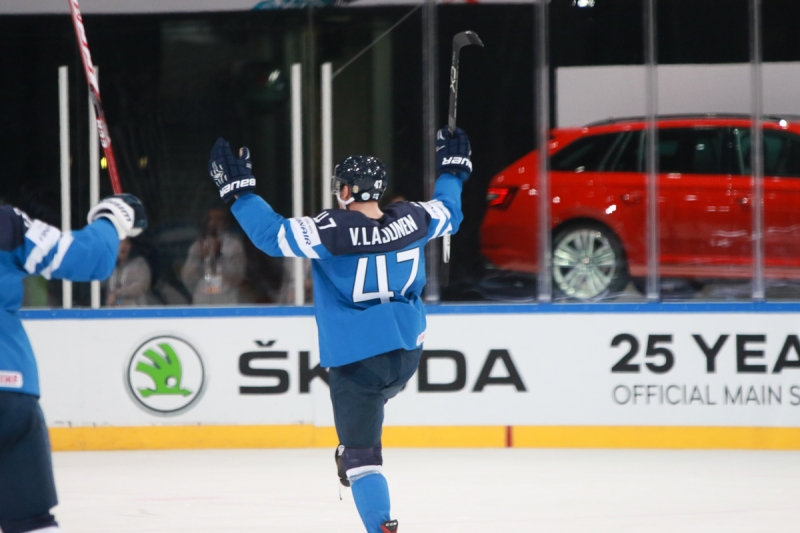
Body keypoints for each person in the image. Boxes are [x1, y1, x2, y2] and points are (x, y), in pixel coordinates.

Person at [207, 127, 471, 533]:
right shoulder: (415, 217)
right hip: (406, 355)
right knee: (372, 408)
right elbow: (449, 209)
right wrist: (453, 171)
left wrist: (240, 193)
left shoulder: (331, 230)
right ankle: (352, 442)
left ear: (348, 191)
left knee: (364, 462)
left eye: (340, 186)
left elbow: (271, 234)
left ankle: (376, 513)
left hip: (358, 362)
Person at [0, 194, 146, 533]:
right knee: (31, 523)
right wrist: (112, 220)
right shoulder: (6, 224)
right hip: (10, 388)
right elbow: (87, 258)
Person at [181, 206, 246, 305]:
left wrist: (220, 255)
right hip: (202, 301)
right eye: (211, 219)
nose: (214, 223)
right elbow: (187, 278)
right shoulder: (197, 246)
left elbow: (237, 278)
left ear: (226, 223)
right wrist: (200, 259)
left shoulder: (234, 246)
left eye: (219, 219)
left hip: (227, 301)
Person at [104, 237, 152, 307]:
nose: (123, 246)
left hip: (137, 314)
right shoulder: (111, 268)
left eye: (126, 242)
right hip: (115, 314)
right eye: (120, 242)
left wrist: (116, 293)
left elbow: (141, 286)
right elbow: (119, 301)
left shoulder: (140, 263)